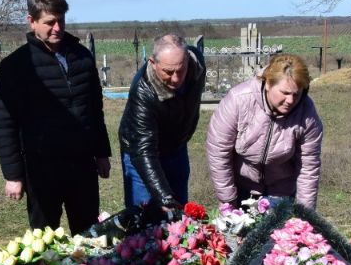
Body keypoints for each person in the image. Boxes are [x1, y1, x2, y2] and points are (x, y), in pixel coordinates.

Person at [0, 0, 111, 234]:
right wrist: (13, 175)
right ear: (32, 21)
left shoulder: (82, 57)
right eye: (50, 22)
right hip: (42, 169)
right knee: (45, 238)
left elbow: (94, 110)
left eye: (61, 20)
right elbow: (4, 124)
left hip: (82, 165)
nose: (57, 28)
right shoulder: (15, 67)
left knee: (88, 235)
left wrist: (101, 153)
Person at [204, 52, 323, 210]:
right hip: (240, 189)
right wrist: (228, 199)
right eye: (285, 93)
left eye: (296, 94)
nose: (290, 100)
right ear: (268, 84)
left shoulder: (307, 113)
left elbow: (308, 167)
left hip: (281, 192)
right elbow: (218, 152)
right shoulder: (238, 100)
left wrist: (305, 214)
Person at [118, 33, 206, 209]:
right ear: (153, 63)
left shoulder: (197, 63)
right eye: (168, 72)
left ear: (187, 59)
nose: (176, 79)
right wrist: (163, 197)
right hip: (141, 152)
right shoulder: (142, 91)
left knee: (180, 210)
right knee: (145, 213)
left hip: (176, 146)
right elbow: (143, 150)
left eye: (181, 70)